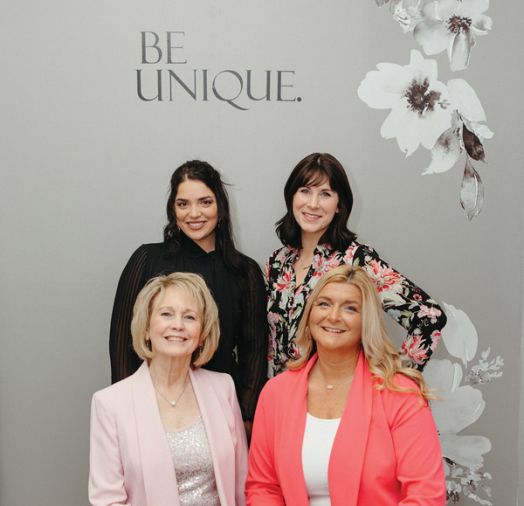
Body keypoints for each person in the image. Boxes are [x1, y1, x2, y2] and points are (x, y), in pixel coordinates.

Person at [246, 265, 446, 505]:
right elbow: (263, 487)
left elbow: (425, 495)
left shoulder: (401, 394)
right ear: (309, 314)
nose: (333, 316)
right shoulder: (275, 393)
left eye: (350, 308)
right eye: (324, 304)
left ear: (366, 322)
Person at [110, 160, 267, 423]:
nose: (194, 214)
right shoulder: (147, 259)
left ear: (221, 206)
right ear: (173, 209)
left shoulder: (245, 272)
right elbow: (122, 342)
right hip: (152, 408)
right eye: (183, 204)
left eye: (205, 202)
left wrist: (245, 418)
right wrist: (130, 410)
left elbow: (255, 353)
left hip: (220, 411)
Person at [266, 152, 447, 377]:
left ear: (339, 205)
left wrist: (394, 380)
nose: (313, 204)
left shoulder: (357, 259)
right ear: (291, 196)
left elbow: (429, 317)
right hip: (283, 397)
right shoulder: (277, 262)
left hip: (336, 397)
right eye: (305, 191)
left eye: (325, 194)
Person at [90, 272, 248, 505]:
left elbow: (242, 484)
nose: (178, 325)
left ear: (202, 333)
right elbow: (107, 499)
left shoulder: (222, 388)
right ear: (146, 328)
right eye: (166, 314)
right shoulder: (110, 404)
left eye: (190, 317)